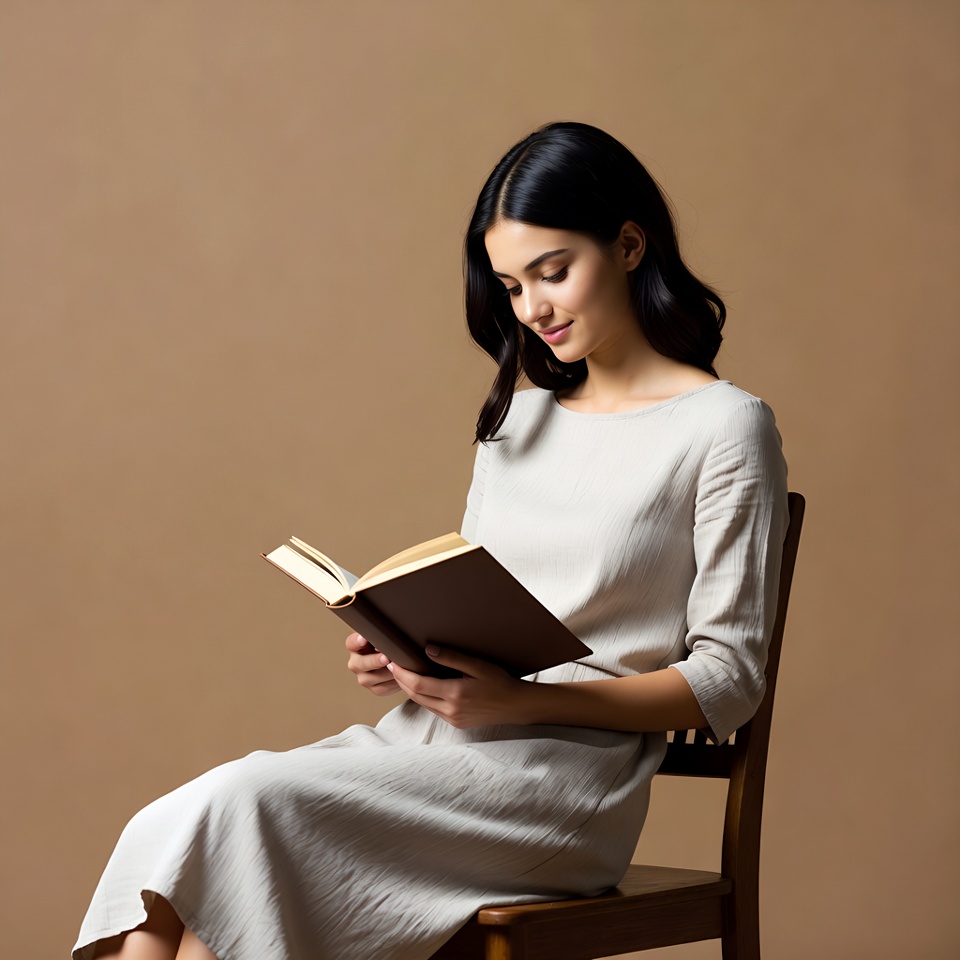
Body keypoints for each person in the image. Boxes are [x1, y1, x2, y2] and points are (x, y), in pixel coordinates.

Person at [73, 121, 788, 960]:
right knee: (187, 850)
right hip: (428, 751)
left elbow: (729, 678)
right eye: (512, 286)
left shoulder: (725, 427)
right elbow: (485, 603)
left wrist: (525, 704)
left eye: (554, 273)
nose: (533, 310)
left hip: (558, 791)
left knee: (241, 808)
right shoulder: (514, 423)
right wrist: (406, 650)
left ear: (629, 246)